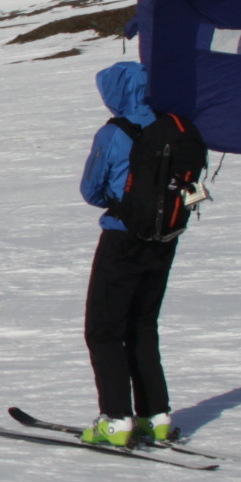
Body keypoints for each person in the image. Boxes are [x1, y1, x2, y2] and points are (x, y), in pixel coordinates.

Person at [78, 61, 180, 447]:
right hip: (165, 237)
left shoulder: (114, 133)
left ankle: (116, 418)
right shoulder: (171, 126)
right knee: (143, 325)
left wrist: (119, 203)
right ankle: (157, 416)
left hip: (122, 239)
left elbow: (92, 190)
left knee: (104, 329)